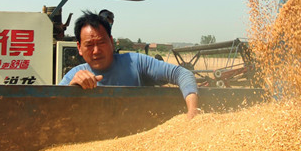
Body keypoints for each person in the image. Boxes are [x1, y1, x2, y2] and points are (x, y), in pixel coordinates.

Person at [59, 11, 199, 119]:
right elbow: (52, 109)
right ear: (79, 47)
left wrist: (192, 112)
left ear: (111, 42)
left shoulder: (136, 63)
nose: (96, 51)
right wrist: (71, 89)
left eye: (101, 43)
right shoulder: (73, 77)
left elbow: (182, 74)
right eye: (89, 45)